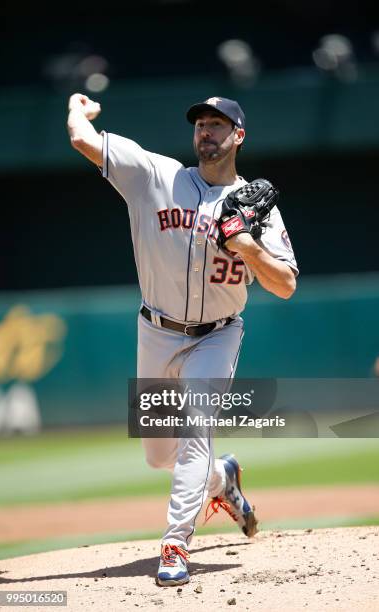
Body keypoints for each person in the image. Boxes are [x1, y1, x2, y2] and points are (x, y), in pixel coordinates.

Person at [67, 94, 298, 586]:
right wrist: (76, 107)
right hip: (155, 330)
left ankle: (175, 545)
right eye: (200, 124)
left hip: (217, 336)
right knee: (159, 454)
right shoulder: (156, 176)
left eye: (218, 124)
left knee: (196, 430)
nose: (206, 132)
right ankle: (221, 479)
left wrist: (248, 246)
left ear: (238, 136)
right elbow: (82, 140)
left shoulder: (257, 209)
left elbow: (285, 285)